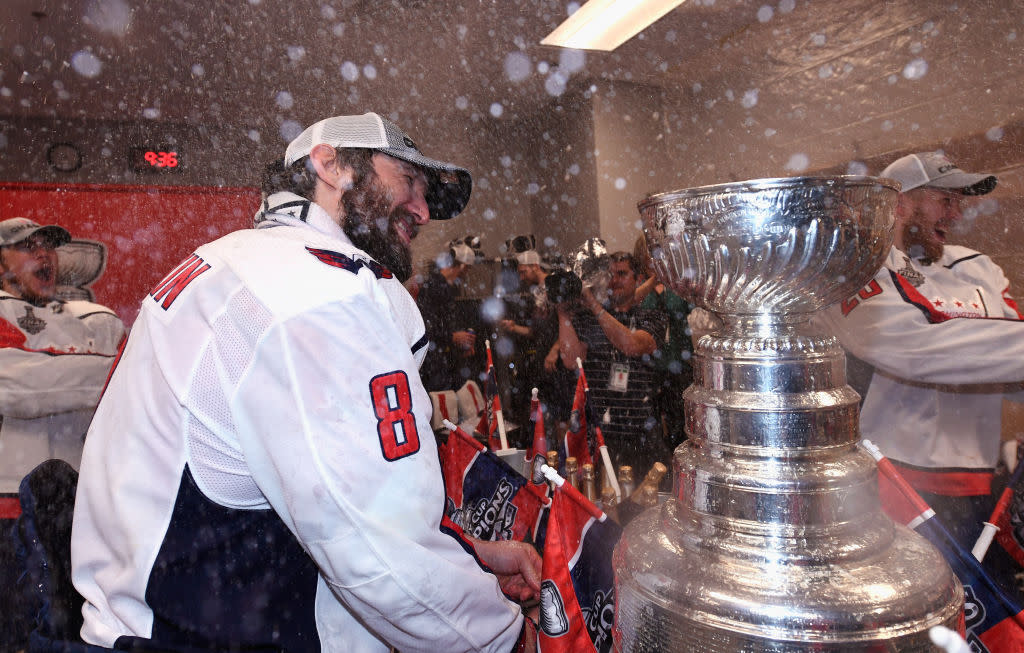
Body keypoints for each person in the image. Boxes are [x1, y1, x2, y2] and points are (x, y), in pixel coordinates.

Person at [70, 112, 540, 652]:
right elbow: (375, 555)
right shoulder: (315, 292)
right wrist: (499, 636)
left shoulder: (243, 259)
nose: (424, 210)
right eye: (409, 182)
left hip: (171, 614)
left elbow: (327, 508)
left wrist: (467, 557)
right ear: (331, 163)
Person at [819, 151, 1024, 562]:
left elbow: (1013, 369)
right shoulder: (855, 269)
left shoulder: (979, 268)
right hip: (894, 487)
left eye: (959, 201)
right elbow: (917, 349)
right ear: (899, 203)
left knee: (990, 621)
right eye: (944, 200)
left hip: (980, 485)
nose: (955, 212)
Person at [0, 217, 125, 651]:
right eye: (26, 247)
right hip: (8, 511)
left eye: (47, 246)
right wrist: (114, 370)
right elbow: (16, 387)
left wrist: (53, 364)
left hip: (78, 510)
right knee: (15, 630)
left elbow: (44, 379)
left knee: (71, 629)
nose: (43, 254)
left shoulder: (92, 318)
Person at [555, 250, 671, 479]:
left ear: (638, 279)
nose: (614, 280)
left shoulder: (652, 316)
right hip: (600, 435)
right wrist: (563, 312)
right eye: (609, 274)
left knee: (641, 508)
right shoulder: (589, 318)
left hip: (640, 433)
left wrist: (595, 306)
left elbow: (632, 344)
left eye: (622, 274)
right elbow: (571, 360)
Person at [497, 239, 573, 443]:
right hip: (542, 359)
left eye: (523, 272)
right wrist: (513, 327)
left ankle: (563, 456)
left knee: (561, 414)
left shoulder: (555, 288)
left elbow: (567, 323)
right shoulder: (537, 293)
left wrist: (555, 350)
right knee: (544, 412)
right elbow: (534, 331)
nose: (521, 277)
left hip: (557, 361)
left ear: (535, 267)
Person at [632, 235, 695, 452]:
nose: (656, 257)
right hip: (648, 368)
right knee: (651, 426)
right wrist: (655, 280)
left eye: (660, 252)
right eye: (651, 252)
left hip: (679, 363)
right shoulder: (638, 284)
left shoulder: (678, 284)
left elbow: (695, 309)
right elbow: (629, 302)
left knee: (680, 423)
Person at [417, 239, 479, 393]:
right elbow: (427, 326)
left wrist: (460, 341)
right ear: (463, 267)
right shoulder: (434, 286)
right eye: (468, 270)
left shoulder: (446, 287)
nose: (467, 275)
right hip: (434, 363)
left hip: (445, 359)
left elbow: (446, 323)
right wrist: (452, 337)